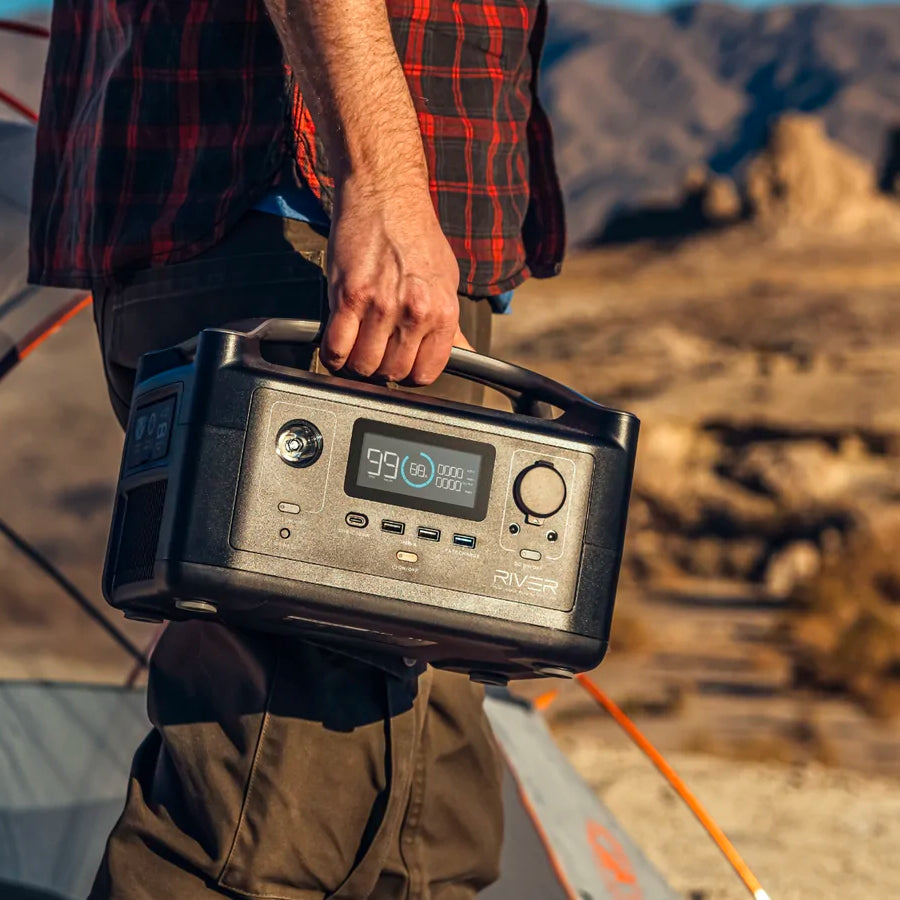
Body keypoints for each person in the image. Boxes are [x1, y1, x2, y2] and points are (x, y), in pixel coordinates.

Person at [29, 1, 565, 897]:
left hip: (300, 225)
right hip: (304, 223)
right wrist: (384, 182)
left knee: (420, 815)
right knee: (268, 828)